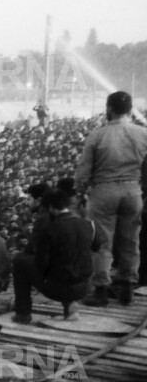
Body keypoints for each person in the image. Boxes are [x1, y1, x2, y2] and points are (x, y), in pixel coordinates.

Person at [76, 91, 147, 306]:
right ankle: (127, 288)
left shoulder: (97, 135)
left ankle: (101, 290)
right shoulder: (143, 133)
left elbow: (84, 170)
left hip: (104, 191)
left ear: (109, 109)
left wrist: (79, 191)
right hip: (133, 190)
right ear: (129, 110)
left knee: (101, 242)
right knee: (130, 240)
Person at [11, 188, 99, 324]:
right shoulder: (88, 224)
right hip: (84, 287)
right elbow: (97, 247)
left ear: (51, 208)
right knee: (68, 263)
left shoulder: (49, 229)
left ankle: (23, 314)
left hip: (58, 289)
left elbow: (41, 265)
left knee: (20, 262)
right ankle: (70, 307)